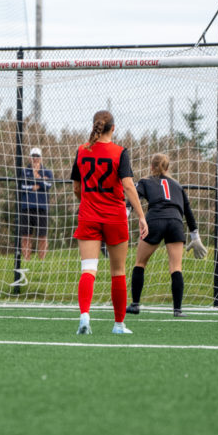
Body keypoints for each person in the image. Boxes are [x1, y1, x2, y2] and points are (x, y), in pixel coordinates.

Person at [71, 110, 148, 335]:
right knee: (118, 271)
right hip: (115, 217)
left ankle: (84, 316)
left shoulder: (81, 151)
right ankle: (118, 325)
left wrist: (88, 201)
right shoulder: (120, 152)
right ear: (113, 128)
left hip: (88, 216)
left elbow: (76, 187)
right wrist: (141, 216)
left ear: (94, 126)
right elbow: (128, 186)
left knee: (88, 269)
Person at [125, 153, 207, 317]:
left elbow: (134, 198)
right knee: (176, 267)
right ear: (167, 167)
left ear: (151, 166)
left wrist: (124, 215)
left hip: (154, 221)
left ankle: (135, 305)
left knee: (140, 263)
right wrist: (195, 235)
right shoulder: (177, 185)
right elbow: (188, 211)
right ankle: (177, 310)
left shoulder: (145, 181)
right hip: (175, 223)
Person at [18, 147, 54, 260]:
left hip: (42, 208)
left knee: (42, 236)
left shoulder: (47, 172)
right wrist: (32, 187)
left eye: (37, 156)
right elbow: (21, 186)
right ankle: (26, 259)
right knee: (26, 235)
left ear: (40, 157)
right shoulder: (24, 171)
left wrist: (37, 176)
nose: (35, 158)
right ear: (29, 158)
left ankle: (42, 260)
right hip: (27, 207)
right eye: (33, 156)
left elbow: (48, 186)